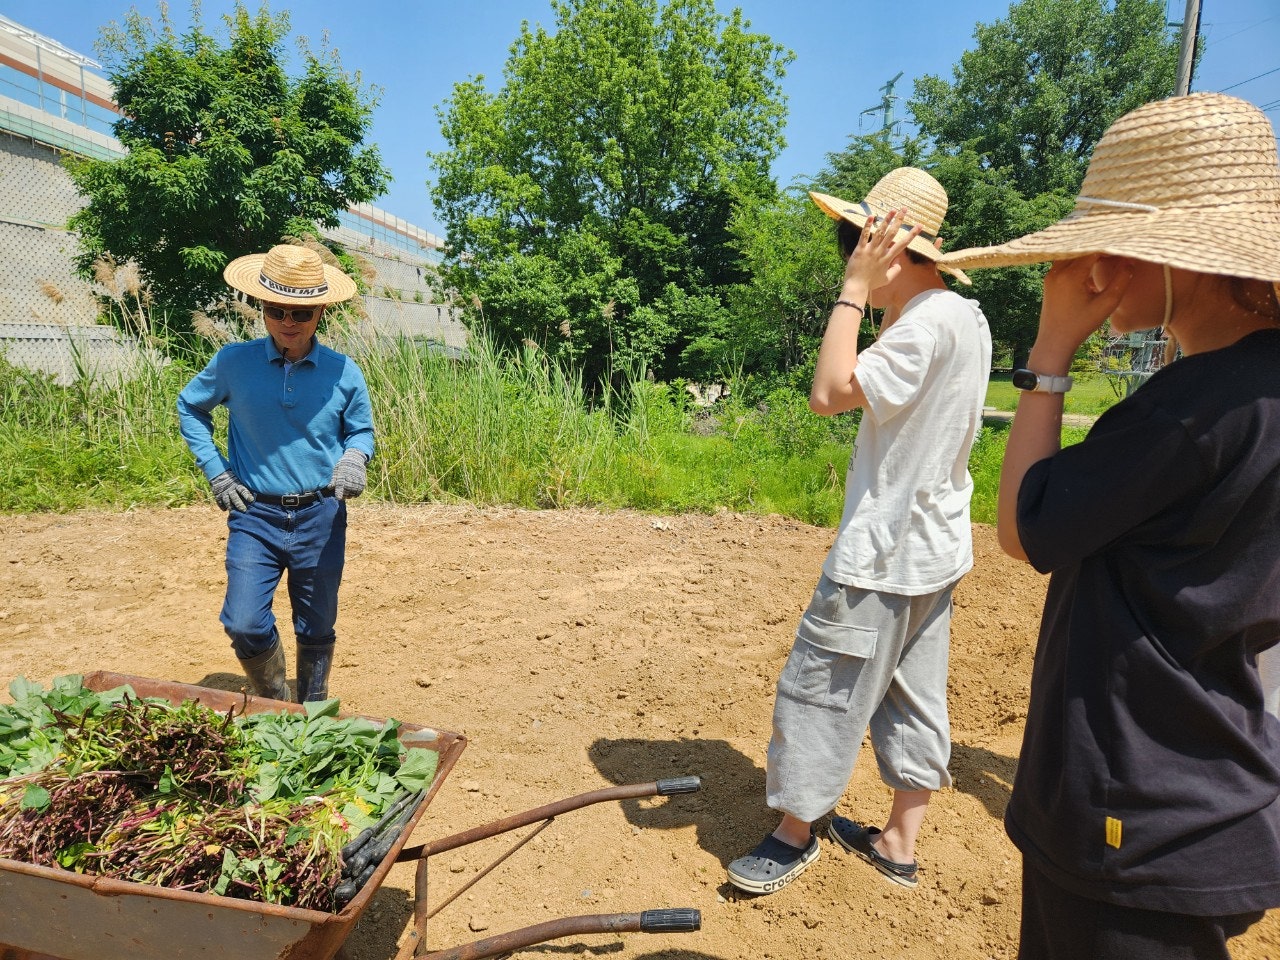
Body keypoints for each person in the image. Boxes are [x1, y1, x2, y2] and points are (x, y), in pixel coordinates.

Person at [937, 92, 1280, 959]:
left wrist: (1049, 354)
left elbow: (1025, 525)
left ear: (1179, 258)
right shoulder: (1256, 391)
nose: (1083, 265)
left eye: (1102, 244)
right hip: (1213, 789)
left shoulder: (1188, 411)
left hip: (1130, 807)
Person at [727, 168, 992, 895]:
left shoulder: (925, 325)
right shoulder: (963, 317)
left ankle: (793, 833)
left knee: (821, 688)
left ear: (892, 248)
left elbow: (828, 394)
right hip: (935, 550)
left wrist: (852, 288)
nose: (851, 256)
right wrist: (882, 294)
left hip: (880, 553)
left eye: (859, 243)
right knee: (913, 692)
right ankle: (898, 843)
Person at [178, 243, 375, 703]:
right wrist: (217, 472)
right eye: (276, 309)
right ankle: (275, 701)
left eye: (301, 313)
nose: (288, 321)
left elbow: (361, 431)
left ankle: (312, 708)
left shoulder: (344, 372)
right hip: (254, 515)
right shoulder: (233, 362)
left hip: (321, 516)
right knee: (243, 621)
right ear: (261, 307)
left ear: (320, 311)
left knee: (317, 623)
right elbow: (190, 407)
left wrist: (353, 459)